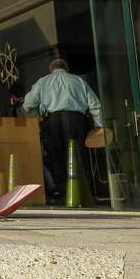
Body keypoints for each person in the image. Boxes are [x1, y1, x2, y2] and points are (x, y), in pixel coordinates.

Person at [22, 58, 104, 204]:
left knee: (56, 157)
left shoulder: (43, 81)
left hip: (53, 121)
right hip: (77, 120)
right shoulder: (78, 81)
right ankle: (83, 193)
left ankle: (63, 194)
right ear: (66, 69)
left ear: (51, 70)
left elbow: (27, 104)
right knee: (79, 156)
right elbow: (95, 104)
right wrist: (99, 125)